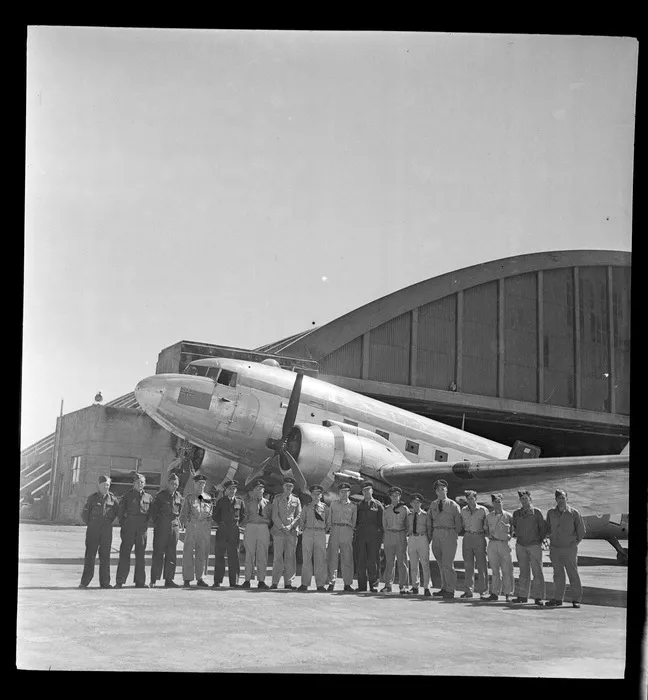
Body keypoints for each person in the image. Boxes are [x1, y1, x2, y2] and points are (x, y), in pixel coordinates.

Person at [545, 489, 586, 608]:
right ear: (556, 499)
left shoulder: (574, 513)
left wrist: (574, 543)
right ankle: (558, 599)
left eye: (563, 498)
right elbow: (547, 528)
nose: (561, 500)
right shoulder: (551, 513)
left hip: (569, 549)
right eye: (559, 498)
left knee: (573, 574)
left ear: (567, 499)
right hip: (555, 549)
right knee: (558, 575)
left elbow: (581, 531)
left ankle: (576, 599)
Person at [79, 475, 120, 589]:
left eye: (108, 485)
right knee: (90, 556)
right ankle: (85, 582)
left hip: (106, 531)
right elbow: (84, 514)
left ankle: (105, 582)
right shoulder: (92, 498)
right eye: (104, 485)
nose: (106, 487)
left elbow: (117, 513)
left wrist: (107, 523)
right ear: (99, 485)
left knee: (105, 556)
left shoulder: (113, 499)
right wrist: (93, 524)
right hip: (93, 530)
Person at [115, 473, 154, 588]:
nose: (140, 484)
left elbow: (150, 513)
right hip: (129, 527)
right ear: (134, 483)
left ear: (145, 484)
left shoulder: (148, 497)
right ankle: (120, 581)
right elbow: (120, 514)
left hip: (142, 529)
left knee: (141, 555)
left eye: (142, 482)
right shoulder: (127, 496)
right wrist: (125, 525)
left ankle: (140, 581)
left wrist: (145, 524)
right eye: (138, 482)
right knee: (125, 554)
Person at [427, 479, 462, 600]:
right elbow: (430, 520)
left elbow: (458, 524)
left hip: (449, 533)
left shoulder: (453, 505)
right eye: (438, 490)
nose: (441, 491)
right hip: (436, 533)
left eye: (443, 489)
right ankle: (444, 587)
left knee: (448, 563)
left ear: (446, 490)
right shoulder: (433, 505)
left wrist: (453, 534)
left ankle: (450, 590)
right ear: (436, 492)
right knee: (441, 564)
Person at [511, 490, 546, 606]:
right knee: (523, 572)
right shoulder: (516, 513)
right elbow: (514, 527)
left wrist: (538, 541)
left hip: (534, 545)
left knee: (537, 572)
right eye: (522, 499)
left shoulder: (537, 513)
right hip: (521, 545)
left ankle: (538, 597)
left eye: (526, 498)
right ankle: (522, 596)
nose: (524, 501)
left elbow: (543, 529)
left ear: (530, 499)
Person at [149, 473, 184, 588]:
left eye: (176, 484)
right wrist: (159, 524)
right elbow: (154, 513)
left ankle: (169, 579)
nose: (174, 486)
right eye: (172, 484)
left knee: (171, 554)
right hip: (162, 528)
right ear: (167, 484)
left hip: (174, 529)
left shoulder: (179, 496)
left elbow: (179, 512)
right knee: (158, 553)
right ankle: (154, 579)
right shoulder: (160, 496)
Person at [179, 473, 213, 588]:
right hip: (192, 529)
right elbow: (183, 515)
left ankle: (201, 578)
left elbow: (210, 515)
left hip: (204, 530)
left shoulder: (208, 498)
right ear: (194, 484)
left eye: (203, 483)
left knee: (202, 554)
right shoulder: (189, 498)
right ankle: (187, 578)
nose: (201, 485)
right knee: (188, 553)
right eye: (199, 483)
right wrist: (188, 525)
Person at [212, 479, 246, 588]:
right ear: (226, 490)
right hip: (222, 531)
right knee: (219, 556)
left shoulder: (240, 502)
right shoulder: (221, 501)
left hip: (234, 532)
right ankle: (217, 581)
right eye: (230, 489)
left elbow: (243, 515)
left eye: (234, 489)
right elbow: (215, 515)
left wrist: (234, 524)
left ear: (236, 490)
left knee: (234, 557)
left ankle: (234, 582)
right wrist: (222, 524)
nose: (232, 491)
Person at [270, 476, 302, 589]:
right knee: (278, 557)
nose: (288, 487)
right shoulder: (277, 499)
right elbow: (274, 515)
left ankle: (288, 583)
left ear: (292, 488)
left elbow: (299, 515)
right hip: (279, 531)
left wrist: (291, 526)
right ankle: (275, 582)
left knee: (290, 557)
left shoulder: (296, 500)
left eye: (291, 486)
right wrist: (282, 527)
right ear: (283, 487)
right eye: (287, 486)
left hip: (291, 532)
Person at [297, 484, 330, 591]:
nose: (316, 496)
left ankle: (320, 584)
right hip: (308, 532)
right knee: (306, 558)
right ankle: (304, 584)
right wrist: (307, 530)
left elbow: (328, 522)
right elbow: (302, 521)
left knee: (320, 559)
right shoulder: (306, 507)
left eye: (318, 494)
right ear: (311, 495)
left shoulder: (325, 508)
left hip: (320, 533)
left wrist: (321, 530)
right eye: (314, 494)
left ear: (321, 495)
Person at [460, 490, 490, 600]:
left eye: (472, 498)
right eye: (468, 499)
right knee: (468, 565)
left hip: (479, 536)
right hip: (467, 536)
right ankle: (468, 590)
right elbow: (462, 524)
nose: (470, 501)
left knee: (481, 565)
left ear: (476, 499)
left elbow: (487, 524)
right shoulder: (463, 510)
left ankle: (483, 591)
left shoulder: (483, 510)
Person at [326, 483, 357, 591]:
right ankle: (331, 582)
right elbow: (329, 518)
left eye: (346, 491)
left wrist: (349, 531)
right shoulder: (333, 504)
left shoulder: (353, 506)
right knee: (332, 557)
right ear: (339, 493)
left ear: (349, 493)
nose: (344, 493)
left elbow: (354, 522)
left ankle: (347, 583)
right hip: (335, 530)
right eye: (342, 491)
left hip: (347, 531)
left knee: (347, 558)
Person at [354, 481, 384, 593]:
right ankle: (362, 586)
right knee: (361, 561)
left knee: (373, 561)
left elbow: (382, 523)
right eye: (364, 490)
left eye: (368, 489)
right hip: (361, 536)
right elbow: (355, 521)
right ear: (362, 492)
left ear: (372, 491)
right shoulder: (359, 505)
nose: (366, 492)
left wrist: (381, 538)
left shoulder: (378, 505)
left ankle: (374, 585)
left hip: (374, 538)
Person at [484, 493, 514, 602]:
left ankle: (508, 593)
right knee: (495, 570)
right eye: (495, 502)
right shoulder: (489, 516)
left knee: (507, 570)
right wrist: (488, 536)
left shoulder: (509, 516)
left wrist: (509, 536)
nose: (497, 504)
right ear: (492, 503)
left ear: (502, 502)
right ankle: (494, 593)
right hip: (492, 543)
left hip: (504, 544)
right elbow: (485, 529)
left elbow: (513, 530)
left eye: (499, 501)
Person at [241, 479, 271, 589]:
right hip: (251, 527)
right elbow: (244, 515)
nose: (259, 491)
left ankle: (261, 580)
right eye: (256, 489)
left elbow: (271, 517)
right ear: (253, 490)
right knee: (249, 554)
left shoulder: (268, 504)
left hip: (263, 528)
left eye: (261, 489)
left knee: (262, 555)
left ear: (264, 490)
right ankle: (247, 580)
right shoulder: (248, 503)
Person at [381, 486, 410, 594]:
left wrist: (402, 534)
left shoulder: (404, 509)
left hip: (400, 535)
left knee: (402, 562)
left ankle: (403, 586)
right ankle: (388, 585)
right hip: (389, 535)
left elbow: (408, 525)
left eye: (397, 496)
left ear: (400, 496)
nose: (395, 498)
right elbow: (384, 525)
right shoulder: (387, 509)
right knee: (389, 562)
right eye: (393, 496)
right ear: (390, 496)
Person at [406, 493, 432, 596]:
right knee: (413, 564)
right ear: (411, 504)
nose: (416, 504)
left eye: (418, 502)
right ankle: (415, 586)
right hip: (412, 538)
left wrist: (427, 540)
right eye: (414, 502)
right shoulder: (409, 516)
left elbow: (429, 529)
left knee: (425, 563)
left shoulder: (426, 515)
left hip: (422, 538)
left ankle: (427, 587)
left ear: (421, 503)